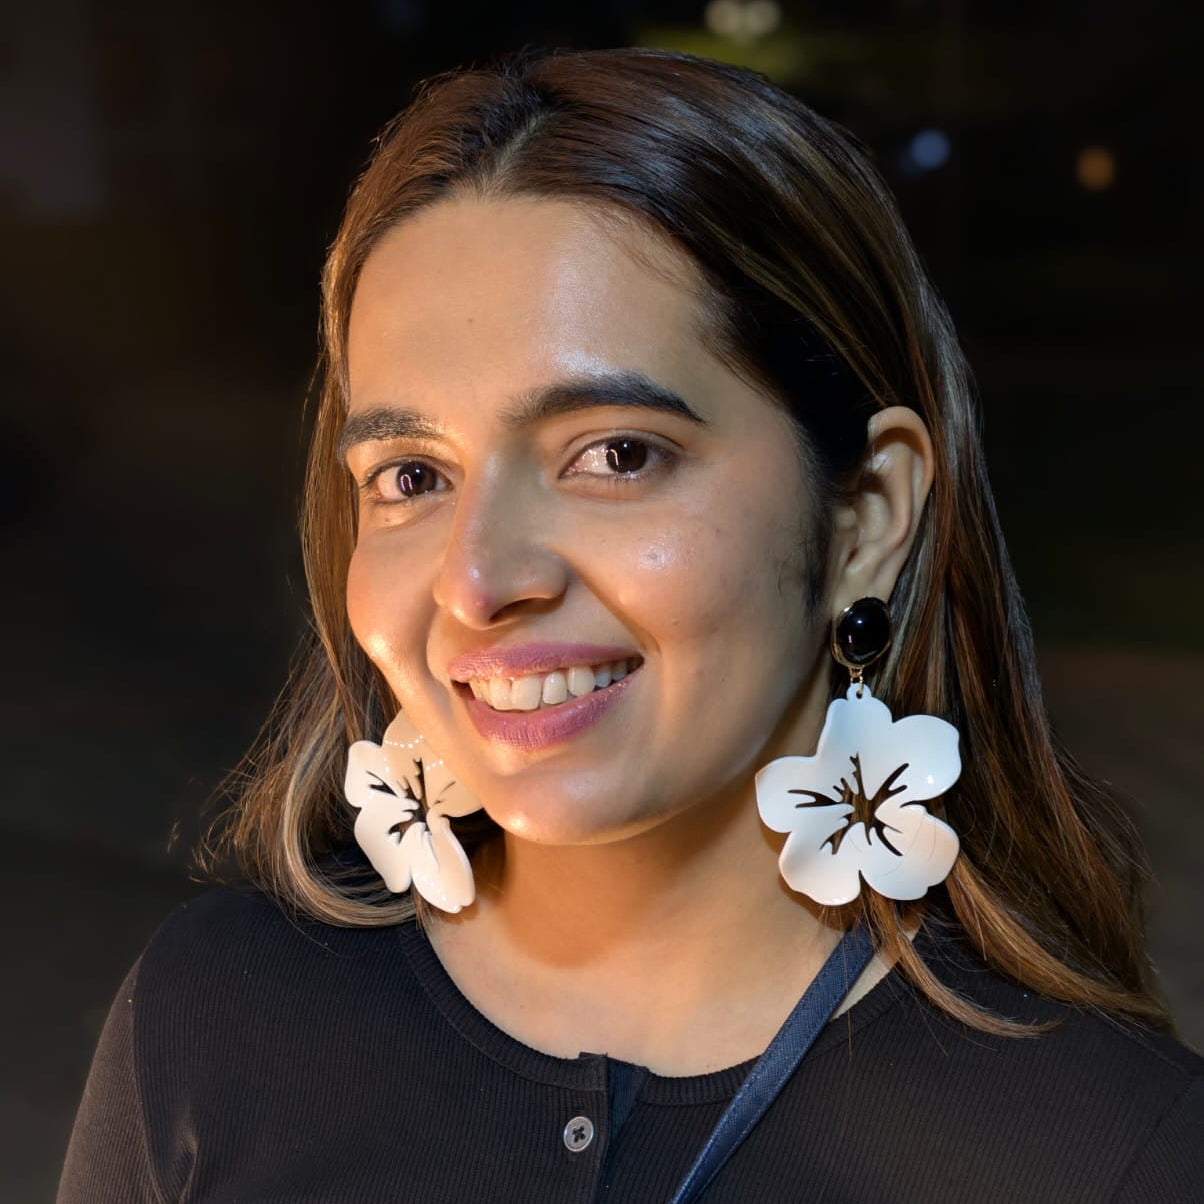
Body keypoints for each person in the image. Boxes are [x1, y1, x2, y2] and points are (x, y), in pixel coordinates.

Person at [59, 47, 1202, 1203]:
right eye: (410, 474)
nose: (476, 579)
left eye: (614, 454)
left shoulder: (1114, 1149)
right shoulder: (210, 1028)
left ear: (862, 518)